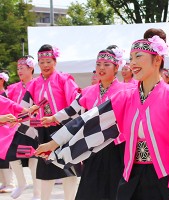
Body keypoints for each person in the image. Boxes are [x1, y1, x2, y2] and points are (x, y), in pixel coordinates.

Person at [35, 29, 169, 200]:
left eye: (138, 57)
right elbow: (89, 119)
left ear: (157, 60)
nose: (132, 63)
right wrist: (54, 143)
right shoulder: (126, 96)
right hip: (131, 173)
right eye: (131, 57)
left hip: (163, 174)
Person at [41, 45, 135, 200]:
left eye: (106, 65)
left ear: (116, 67)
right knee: (90, 186)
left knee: (115, 187)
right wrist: (52, 118)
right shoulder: (89, 91)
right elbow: (72, 109)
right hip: (92, 144)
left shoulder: (127, 90)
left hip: (116, 145)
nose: (101, 68)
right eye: (98, 65)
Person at [19, 44, 80, 200]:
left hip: (64, 128)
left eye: (48, 61)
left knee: (68, 167)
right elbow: (24, 108)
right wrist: (17, 117)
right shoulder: (34, 84)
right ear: (38, 64)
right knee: (46, 169)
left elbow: (76, 103)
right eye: (42, 62)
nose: (45, 65)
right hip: (44, 130)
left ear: (55, 61)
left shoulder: (64, 79)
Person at [4, 55, 41, 199]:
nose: (19, 71)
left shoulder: (38, 84)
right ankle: (21, 183)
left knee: (34, 160)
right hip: (17, 128)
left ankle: (37, 193)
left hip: (33, 128)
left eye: (22, 68)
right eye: (18, 68)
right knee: (11, 154)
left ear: (31, 68)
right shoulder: (13, 88)